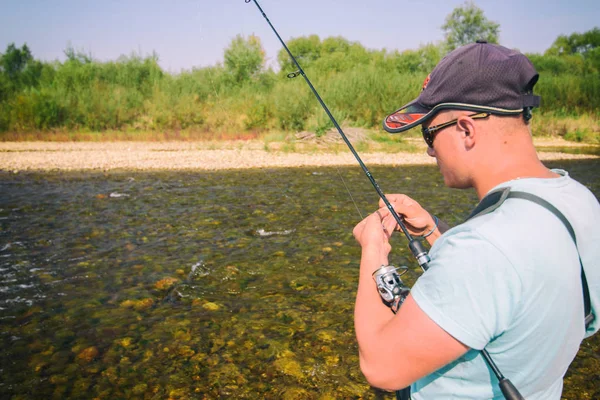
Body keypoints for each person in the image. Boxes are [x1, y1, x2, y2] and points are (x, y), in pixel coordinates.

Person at [352, 41, 600, 399]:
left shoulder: (484, 249)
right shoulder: (578, 200)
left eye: (430, 132)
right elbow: (514, 285)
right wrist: (435, 232)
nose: (429, 149)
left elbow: (381, 368)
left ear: (466, 129)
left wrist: (373, 252)